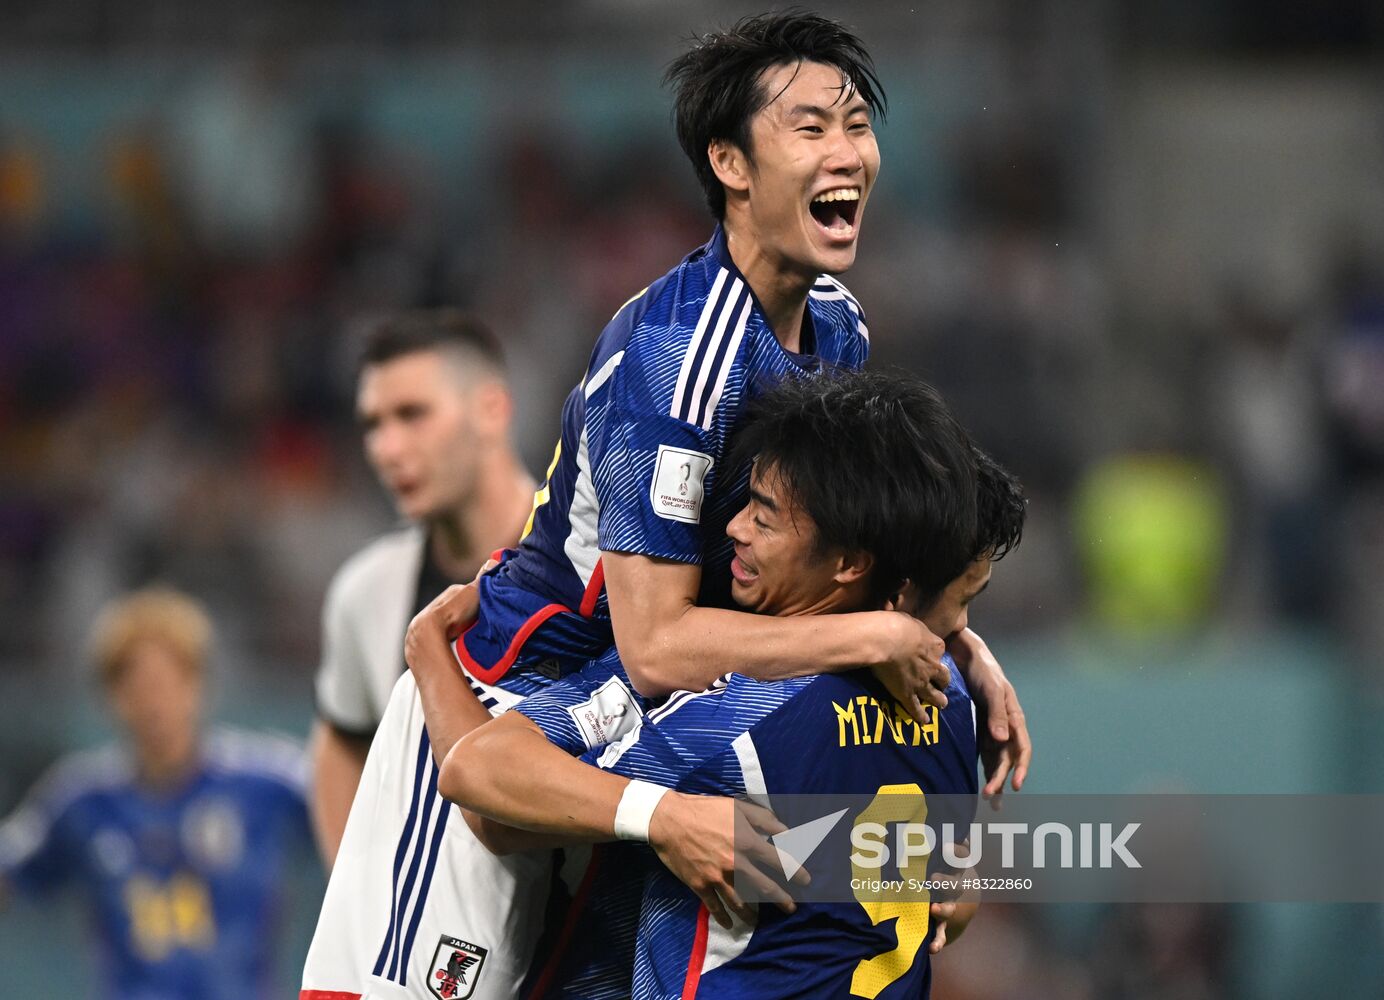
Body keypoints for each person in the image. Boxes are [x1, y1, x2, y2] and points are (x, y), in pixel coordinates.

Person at [304, 13, 1027, 999]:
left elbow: (858, 539)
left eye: (856, 125)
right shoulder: (676, 356)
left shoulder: (836, 324)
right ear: (728, 161)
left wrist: (955, 645)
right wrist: (873, 637)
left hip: (646, 737)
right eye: (810, 127)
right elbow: (652, 646)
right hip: (511, 715)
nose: (848, 152)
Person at [439, 369, 1026, 997]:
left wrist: (663, 815)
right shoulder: (955, 704)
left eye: (764, 518)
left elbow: (483, 785)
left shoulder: (742, 713)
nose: (733, 528)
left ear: (852, 563)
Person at [0, 588, 313, 1000]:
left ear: (197, 685)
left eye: (167, 681)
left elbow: (357, 827)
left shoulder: (267, 784)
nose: (154, 703)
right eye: (138, 686)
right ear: (112, 698)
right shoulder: (82, 802)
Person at [309, 310, 535, 867]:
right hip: (445, 949)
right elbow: (341, 739)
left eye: (412, 415)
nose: (387, 448)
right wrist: (358, 899)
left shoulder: (598, 558)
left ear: (491, 409)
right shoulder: (367, 592)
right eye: (373, 424)